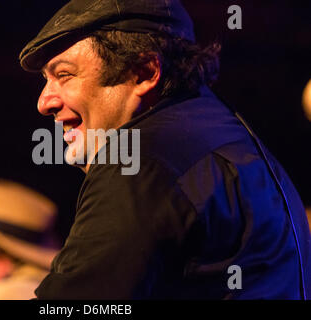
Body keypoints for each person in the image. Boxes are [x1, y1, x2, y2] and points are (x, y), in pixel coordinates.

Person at [18, 0, 311, 299]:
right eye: (46, 80)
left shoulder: (141, 163)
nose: (44, 102)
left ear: (143, 73)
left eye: (64, 74)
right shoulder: (228, 136)